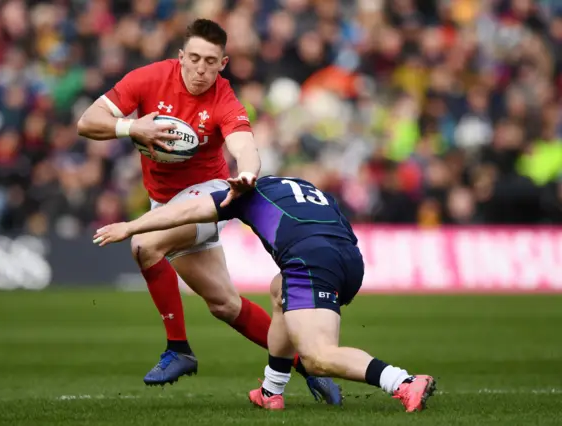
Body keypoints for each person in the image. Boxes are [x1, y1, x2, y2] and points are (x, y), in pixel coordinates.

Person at [77, 19, 341, 403]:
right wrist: (132, 129)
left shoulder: (223, 98)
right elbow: (87, 122)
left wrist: (248, 174)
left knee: (144, 246)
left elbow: (244, 145)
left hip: (210, 196)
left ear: (223, 63)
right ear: (181, 56)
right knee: (224, 305)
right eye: (195, 59)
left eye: (211, 62)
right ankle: (307, 366)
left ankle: (178, 348)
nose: (201, 69)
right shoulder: (148, 79)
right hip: (164, 201)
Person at [92, 175, 437, 413]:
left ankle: (403, 382)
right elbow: (341, 228)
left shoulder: (245, 193)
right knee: (279, 290)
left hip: (309, 262)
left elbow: (187, 210)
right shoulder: (307, 188)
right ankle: (271, 392)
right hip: (349, 261)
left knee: (317, 356)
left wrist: (131, 226)